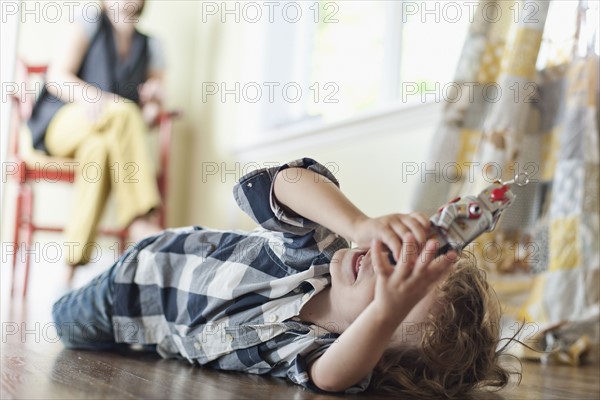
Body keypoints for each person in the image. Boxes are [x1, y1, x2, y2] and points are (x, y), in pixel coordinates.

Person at [52, 159, 514, 397]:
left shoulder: (316, 351)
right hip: (136, 277)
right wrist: (358, 224)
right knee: (66, 326)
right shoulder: (317, 250)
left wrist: (385, 311)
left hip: (153, 330)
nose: (377, 259)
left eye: (393, 292)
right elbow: (279, 182)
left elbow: (331, 381)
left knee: (104, 346)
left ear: (377, 347)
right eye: (394, 255)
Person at [26, 0, 164, 271]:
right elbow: (56, 77)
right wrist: (91, 95)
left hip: (107, 133)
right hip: (61, 123)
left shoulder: (152, 46)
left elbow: (146, 117)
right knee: (124, 112)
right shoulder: (89, 19)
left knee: (99, 151)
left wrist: (152, 105)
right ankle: (140, 220)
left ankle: (70, 269)